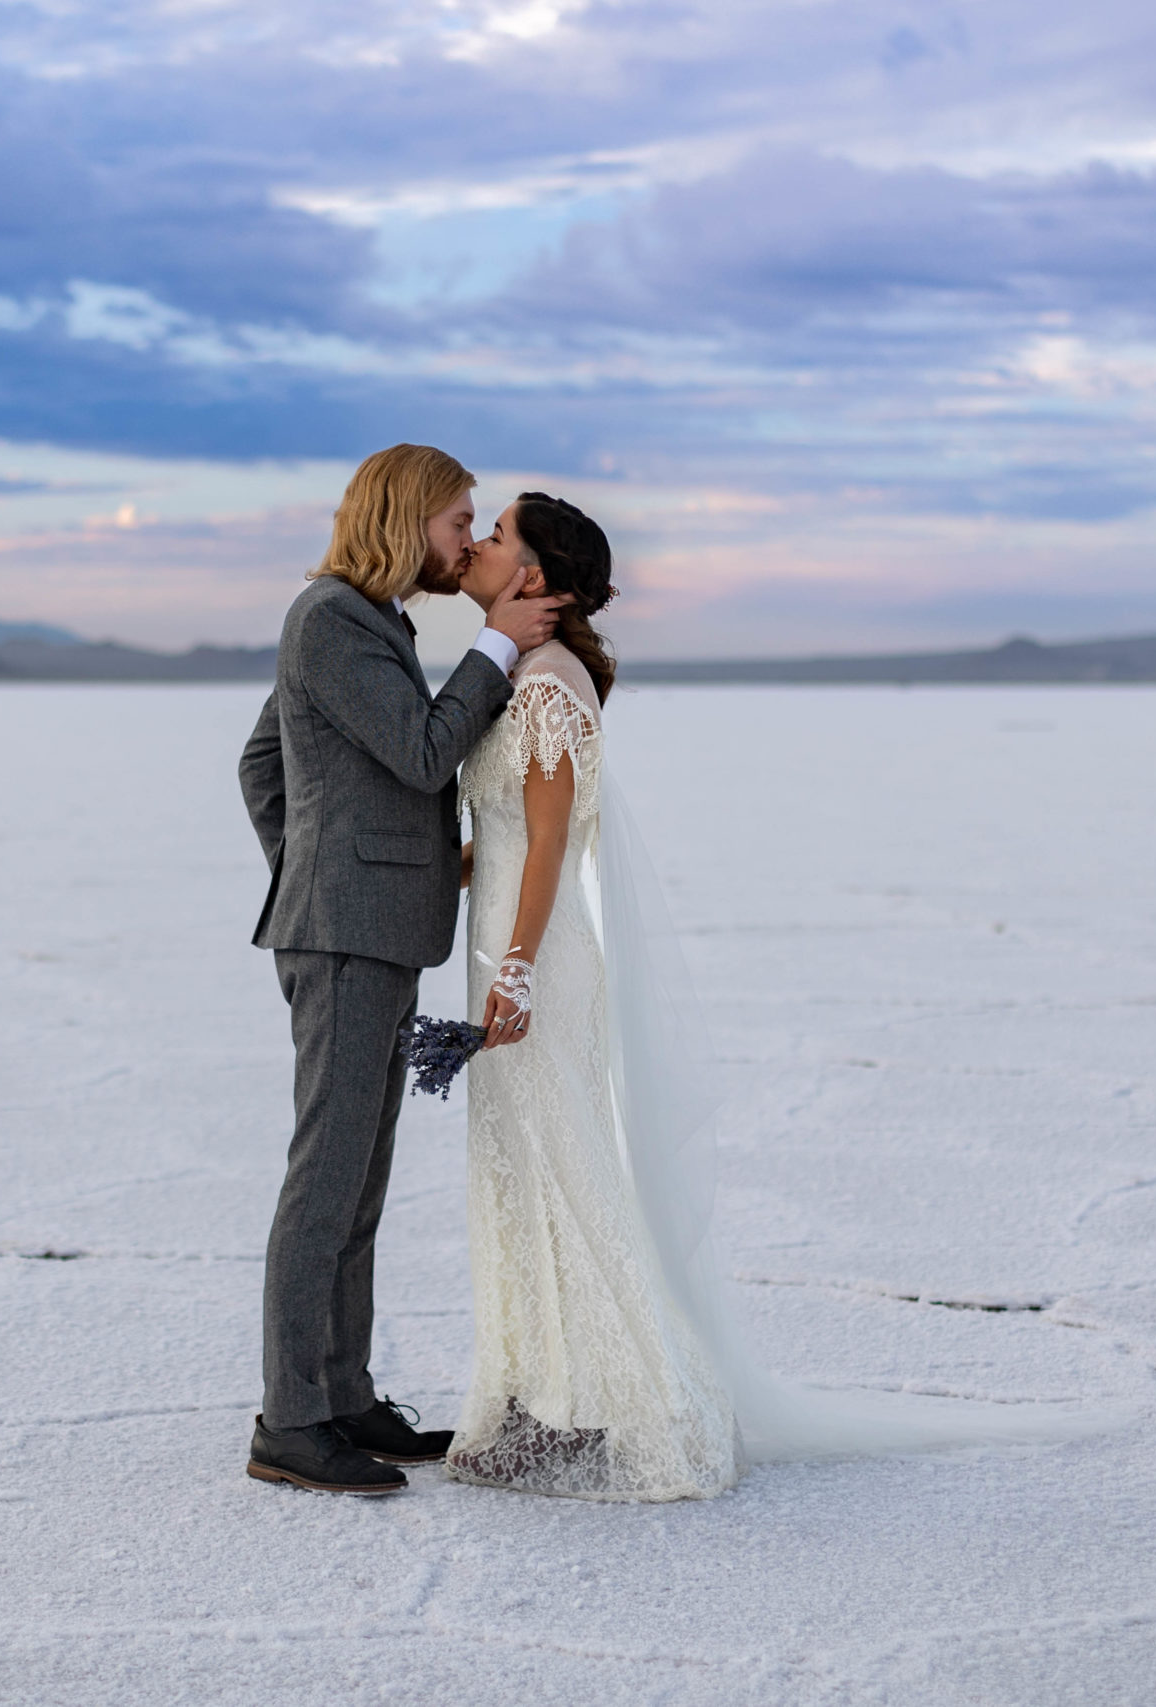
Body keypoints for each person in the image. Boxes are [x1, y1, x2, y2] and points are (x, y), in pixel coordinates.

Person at [442, 493, 1116, 1500]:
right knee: (526, 1182)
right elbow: (502, 837)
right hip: (509, 947)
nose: (483, 546)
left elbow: (547, 840)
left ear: (534, 578)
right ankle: (550, 1402)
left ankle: (642, 1415)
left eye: (497, 536)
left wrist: (518, 972)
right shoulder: (532, 672)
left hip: (530, 965)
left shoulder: (543, 682)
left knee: (563, 1182)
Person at [235, 445, 567, 1496]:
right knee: (325, 1178)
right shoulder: (330, 618)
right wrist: (498, 648)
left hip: (363, 922)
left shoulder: (366, 622)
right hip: (343, 935)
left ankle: (341, 1396)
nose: (467, 543)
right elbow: (425, 756)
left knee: (357, 1178)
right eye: (458, 522)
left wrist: (358, 857)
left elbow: (261, 763)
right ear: (407, 514)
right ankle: (290, 1422)